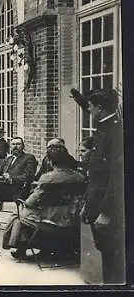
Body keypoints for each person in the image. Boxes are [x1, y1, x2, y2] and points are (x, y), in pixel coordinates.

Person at [2, 145, 86, 260]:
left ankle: (19, 247)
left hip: (50, 220)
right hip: (72, 219)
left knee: (18, 216)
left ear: (50, 162)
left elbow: (31, 202)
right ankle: (47, 249)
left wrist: (26, 201)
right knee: (22, 215)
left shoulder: (48, 178)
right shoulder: (79, 177)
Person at [78, 88, 125, 284]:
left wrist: (105, 211)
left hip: (109, 207)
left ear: (99, 108)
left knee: (112, 257)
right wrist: (88, 205)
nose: (88, 110)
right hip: (97, 202)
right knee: (104, 253)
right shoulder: (105, 127)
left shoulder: (115, 131)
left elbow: (117, 175)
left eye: (90, 106)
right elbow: (96, 175)